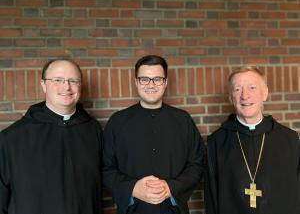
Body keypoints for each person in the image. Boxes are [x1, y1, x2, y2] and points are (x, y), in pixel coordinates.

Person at [103, 55, 205, 214]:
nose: (151, 85)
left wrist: (171, 187)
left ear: (165, 82)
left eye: (157, 79)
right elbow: (105, 168)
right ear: (136, 82)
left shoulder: (183, 120)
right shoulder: (118, 122)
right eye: (144, 79)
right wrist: (133, 188)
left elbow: (197, 164)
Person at [0, 59, 103, 214]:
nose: (66, 87)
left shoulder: (93, 129)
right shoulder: (11, 138)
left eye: (73, 81)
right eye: (58, 80)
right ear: (43, 85)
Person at [205, 66, 300, 214]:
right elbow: (211, 198)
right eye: (237, 89)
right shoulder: (216, 142)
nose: (245, 96)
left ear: (265, 93)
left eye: (252, 87)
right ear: (231, 97)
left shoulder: (290, 140)